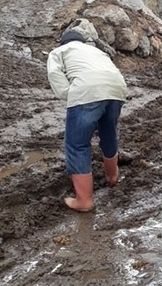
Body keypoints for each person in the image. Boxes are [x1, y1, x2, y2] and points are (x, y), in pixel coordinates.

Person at [47, 31, 128, 212]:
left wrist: (70, 95)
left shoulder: (59, 52)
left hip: (86, 90)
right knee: (108, 133)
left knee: (77, 144)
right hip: (117, 88)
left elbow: (54, 73)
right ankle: (112, 176)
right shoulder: (97, 51)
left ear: (63, 42)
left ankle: (83, 201)